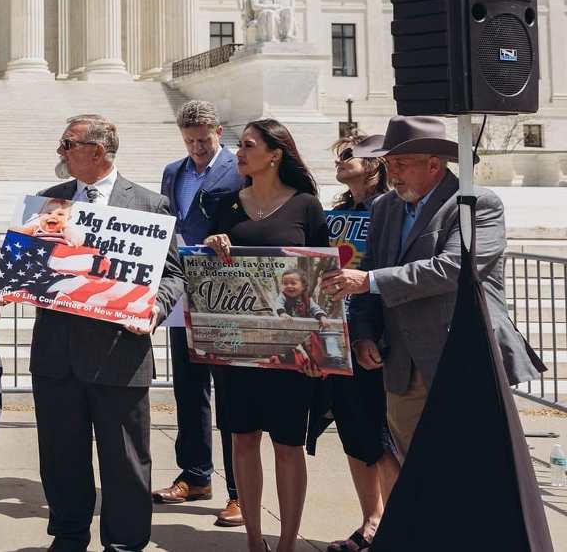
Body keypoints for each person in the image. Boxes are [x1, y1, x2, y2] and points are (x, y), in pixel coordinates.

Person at [327, 116, 543, 457]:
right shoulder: (384, 207)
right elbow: (370, 269)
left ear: (433, 165)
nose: (392, 173)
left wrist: (369, 282)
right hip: (401, 364)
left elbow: (453, 269)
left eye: (401, 163)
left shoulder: (474, 203)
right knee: (413, 470)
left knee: (467, 467)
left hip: (460, 356)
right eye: (388, 163)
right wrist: (363, 333)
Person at [31, 114, 184, 552]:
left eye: (68, 143)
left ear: (97, 151)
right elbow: (30, 268)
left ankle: (124, 544)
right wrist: (6, 288)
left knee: (125, 462)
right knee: (61, 457)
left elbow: (174, 275)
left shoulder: (150, 205)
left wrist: (155, 308)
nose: (60, 151)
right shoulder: (51, 200)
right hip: (57, 354)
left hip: (120, 352)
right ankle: (69, 535)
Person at [202, 119, 328, 552]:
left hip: (290, 351)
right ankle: (255, 539)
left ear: (274, 154)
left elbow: (322, 278)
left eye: (248, 145)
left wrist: (321, 348)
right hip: (237, 347)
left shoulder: (307, 206)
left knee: (288, 444)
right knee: (242, 439)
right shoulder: (224, 203)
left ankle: (288, 542)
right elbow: (205, 269)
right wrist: (211, 244)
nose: (238, 152)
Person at [153, 99, 243, 526]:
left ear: (219, 133)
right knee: (188, 388)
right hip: (181, 291)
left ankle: (240, 491)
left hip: (223, 291)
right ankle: (195, 475)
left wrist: (230, 238)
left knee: (229, 394)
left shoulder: (238, 169)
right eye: (189, 141)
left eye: (204, 141)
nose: (197, 148)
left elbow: (251, 220)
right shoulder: (174, 171)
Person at [309, 133, 400, 552]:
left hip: (379, 333)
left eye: (348, 156)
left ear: (375, 163)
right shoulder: (338, 213)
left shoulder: (394, 208)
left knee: (383, 435)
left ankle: (395, 523)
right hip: (336, 332)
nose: (340, 162)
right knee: (354, 432)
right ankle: (371, 519)